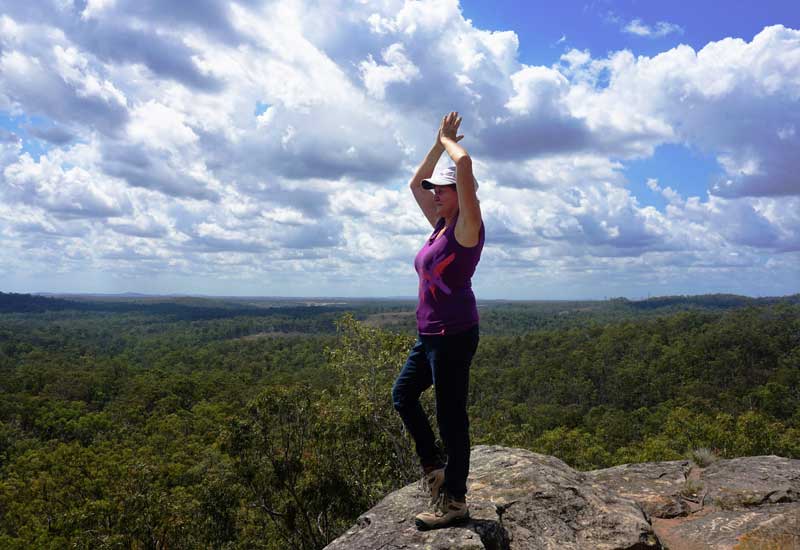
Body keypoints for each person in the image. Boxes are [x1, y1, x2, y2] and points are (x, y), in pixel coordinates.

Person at [392, 111, 485, 530]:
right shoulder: (439, 228)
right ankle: (436, 470)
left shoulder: (467, 228)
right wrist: (435, 143)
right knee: (403, 395)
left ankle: (455, 502)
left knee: (451, 419)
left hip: (453, 336)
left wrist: (450, 142)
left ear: (458, 195)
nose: (433, 195)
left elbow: (463, 165)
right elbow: (414, 184)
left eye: (441, 191)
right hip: (428, 336)